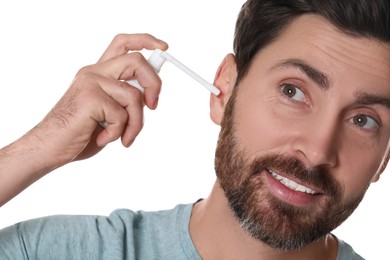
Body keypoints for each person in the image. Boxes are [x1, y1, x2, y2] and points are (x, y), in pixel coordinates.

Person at [0, 0, 389, 259]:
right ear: (224, 91)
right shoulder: (62, 251)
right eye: (292, 92)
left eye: (363, 120)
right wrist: (39, 148)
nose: (319, 150)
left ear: (383, 158)